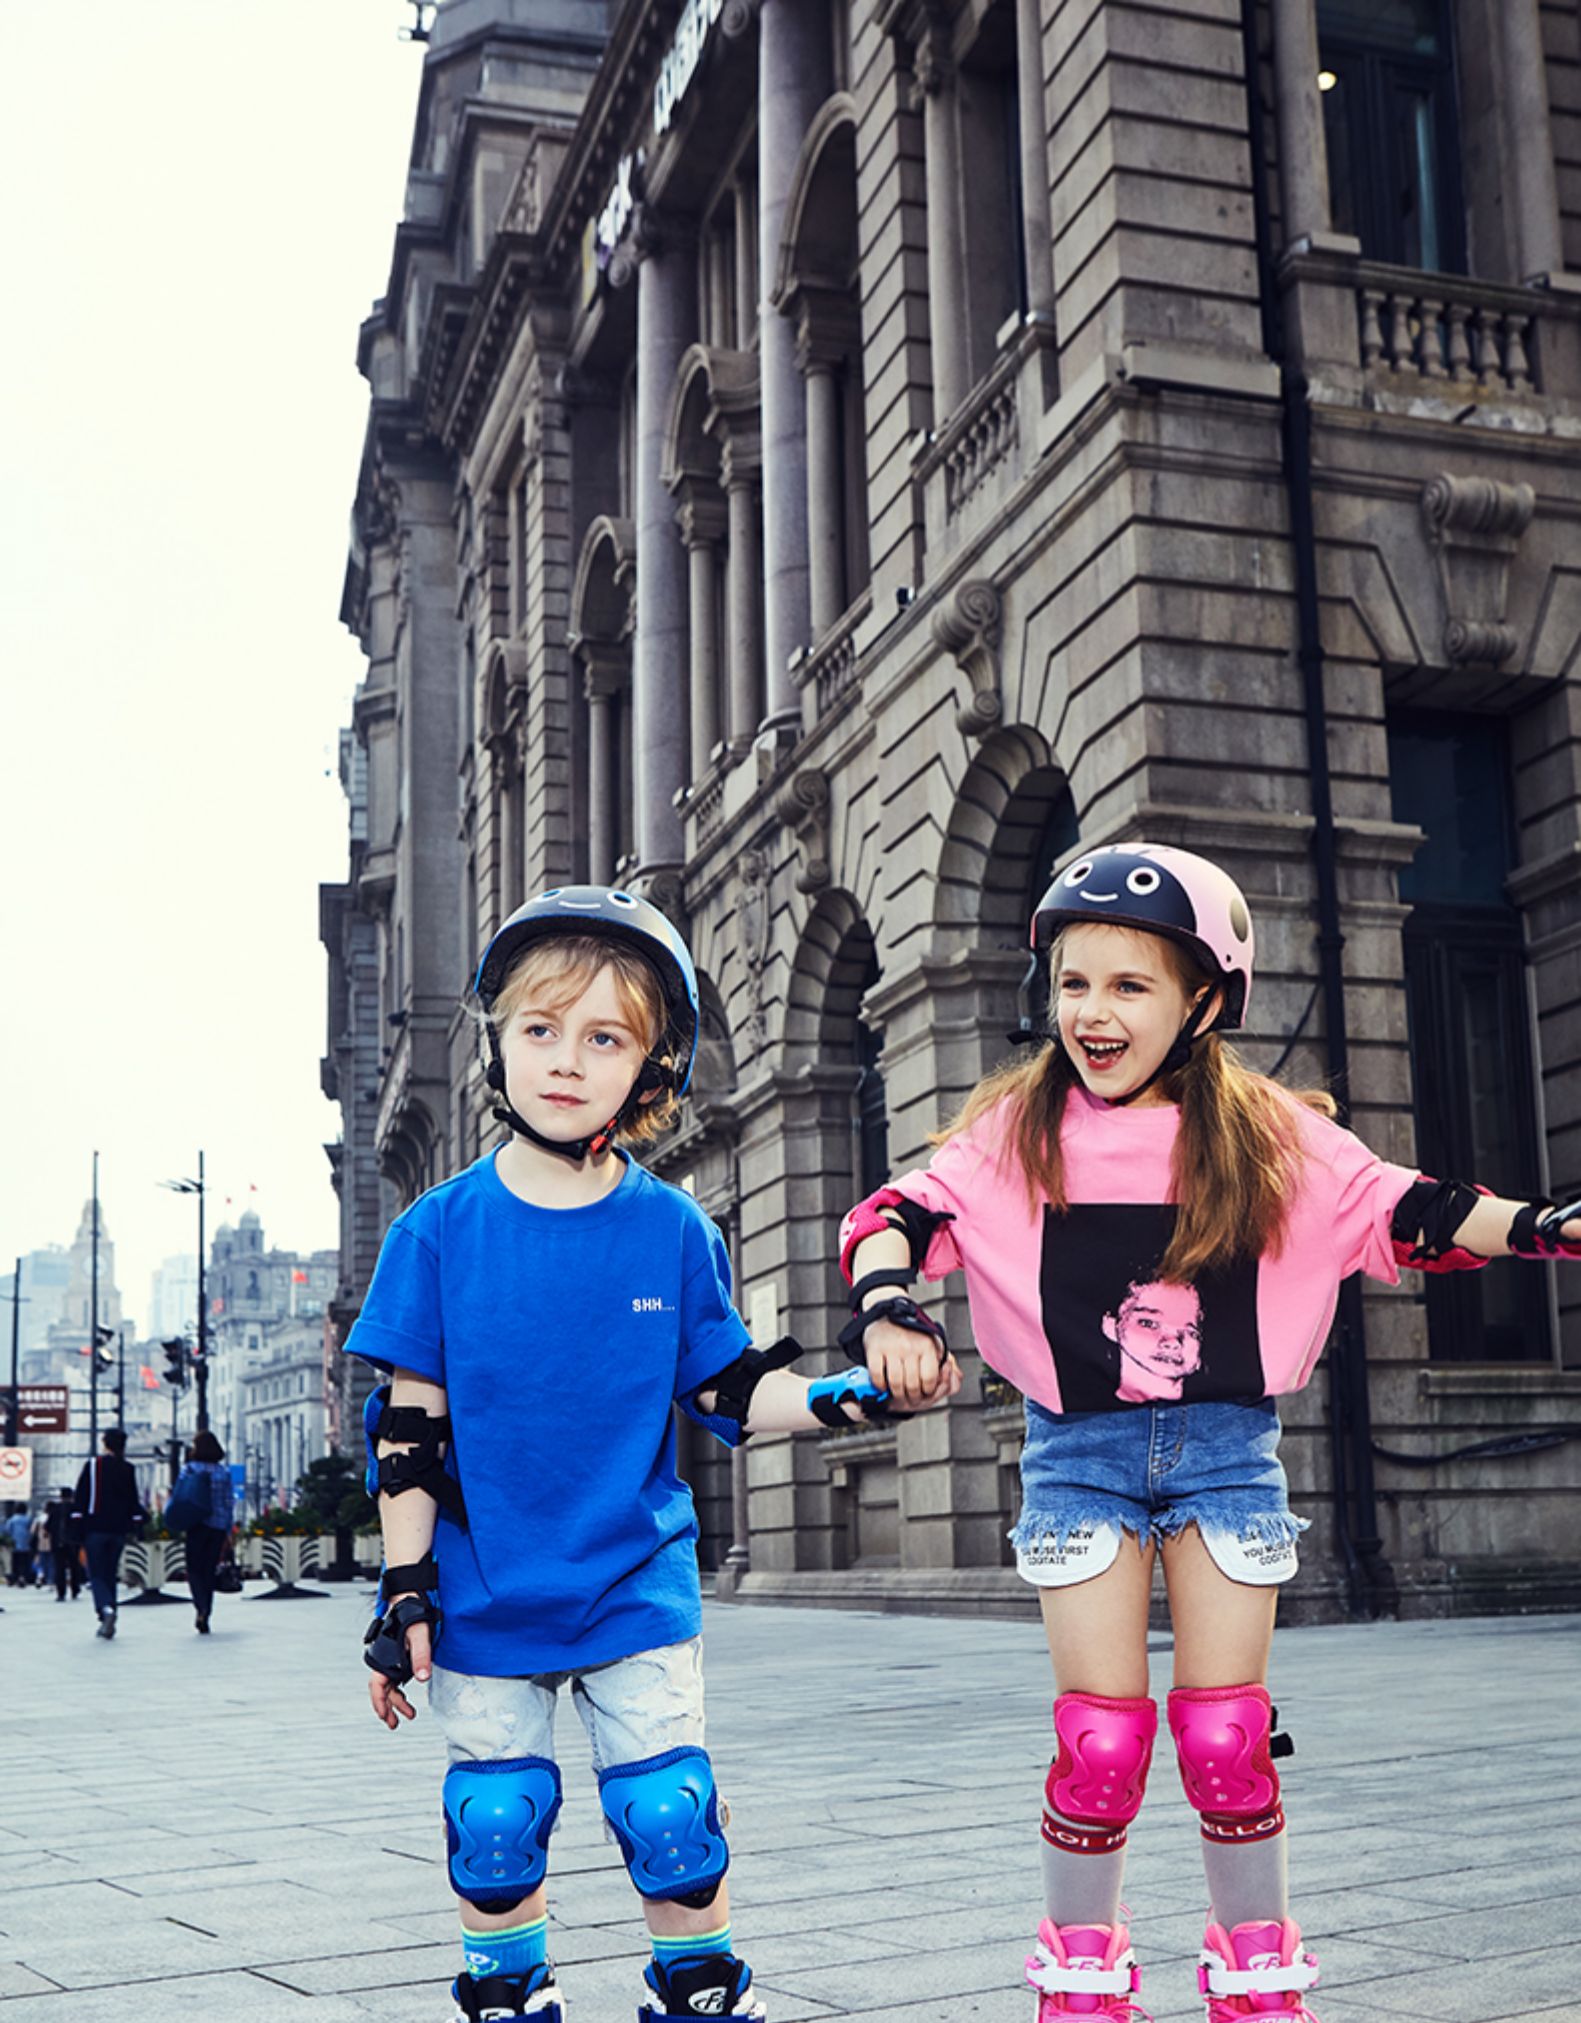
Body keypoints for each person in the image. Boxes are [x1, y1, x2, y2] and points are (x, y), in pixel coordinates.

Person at [837, 842, 1581, 2023]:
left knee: (1229, 1738)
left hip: (1228, 1451)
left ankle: (1257, 1971)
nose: (1093, 1011)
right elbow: (892, 1215)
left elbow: (1416, 1210)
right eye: (1075, 982)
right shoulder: (1012, 1134)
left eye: (1130, 986)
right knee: (1100, 1746)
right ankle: (1082, 1970)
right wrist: (887, 1304)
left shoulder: (1268, 1133)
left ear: (1203, 1000)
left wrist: (1547, 1224)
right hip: (1077, 1459)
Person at [350, 887, 957, 2023]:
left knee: (671, 1817)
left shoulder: (674, 1230)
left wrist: (849, 1398)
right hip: (483, 1593)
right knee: (494, 1828)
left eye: (604, 1037)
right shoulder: (435, 1231)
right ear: (500, 1040)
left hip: (633, 1580)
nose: (566, 1061)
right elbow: (409, 1434)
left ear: (652, 1064)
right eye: (540, 1029)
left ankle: (700, 1992)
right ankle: (507, 1994)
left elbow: (728, 1389)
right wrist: (402, 1591)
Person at [72, 1426, 146, 1638]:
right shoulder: (127, 1468)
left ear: (105, 1443)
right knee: (110, 1573)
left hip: (95, 1528)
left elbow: (81, 1497)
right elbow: (134, 1501)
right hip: (118, 1530)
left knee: (96, 1573)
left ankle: (105, 1610)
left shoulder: (94, 1465)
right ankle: (110, 1613)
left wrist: (77, 1525)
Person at [173, 1429, 235, 1633]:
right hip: (217, 1527)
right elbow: (228, 1502)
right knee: (209, 1569)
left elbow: (179, 1496)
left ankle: (200, 1606)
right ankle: (207, 1609)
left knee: (194, 1569)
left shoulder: (189, 1469)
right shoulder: (223, 1472)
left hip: (195, 1525)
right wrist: (228, 1529)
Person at [45, 1493, 82, 1601]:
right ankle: (75, 1589)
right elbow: (81, 1525)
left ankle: (61, 1592)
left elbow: (47, 1526)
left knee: (59, 1567)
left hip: (57, 1543)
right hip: (73, 1542)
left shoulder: (55, 1509)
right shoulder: (76, 1508)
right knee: (74, 1566)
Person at [3, 1505, 33, 1586]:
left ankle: (15, 1578)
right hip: (25, 1544)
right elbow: (31, 1531)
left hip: (14, 1544)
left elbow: (7, 1530)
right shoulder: (28, 1519)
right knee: (24, 1562)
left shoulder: (12, 1519)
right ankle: (23, 1577)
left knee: (15, 1562)